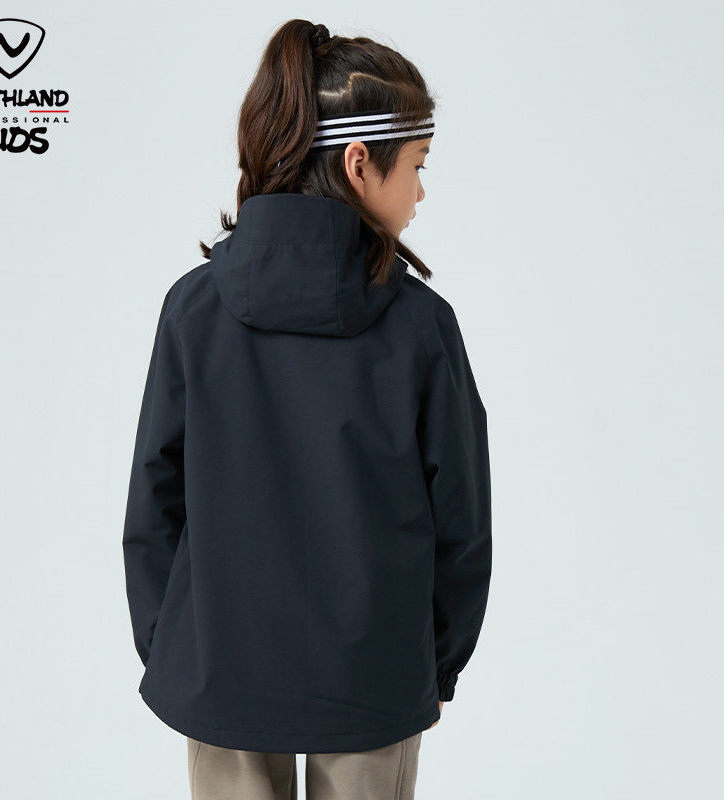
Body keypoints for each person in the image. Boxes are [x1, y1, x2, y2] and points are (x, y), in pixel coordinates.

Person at [122, 18, 492, 800]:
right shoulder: (421, 326)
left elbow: (154, 505)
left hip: (220, 671)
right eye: (417, 164)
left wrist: (176, 648)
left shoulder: (194, 310)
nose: (421, 192)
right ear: (359, 163)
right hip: (372, 682)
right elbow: (461, 525)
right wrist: (430, 668)